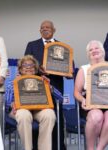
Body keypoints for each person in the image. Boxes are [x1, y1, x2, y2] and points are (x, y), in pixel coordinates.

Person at [25, 20, 66, 150]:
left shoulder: (62, 46)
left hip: (56, 88)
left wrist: (68, 72)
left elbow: (70, 67)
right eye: (42, 28)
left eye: (48, 27)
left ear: (54, 30)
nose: (45, 29)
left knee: (55, 118)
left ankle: (57, 147)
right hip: (35, 88)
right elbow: (25, 66)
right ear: (39, 30)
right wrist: (38, 69)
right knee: (37, 118)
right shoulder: (32, 45)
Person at [9, 55, 56, 150]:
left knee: (49, 114)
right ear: (20, 69)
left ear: (35, 69)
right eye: (25, 65)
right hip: (20, 109)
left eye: (31, 65)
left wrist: (50, 88)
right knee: (23, 115)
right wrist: (12, 103)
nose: (28, 67)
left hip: (38, 110)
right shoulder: (14, 81)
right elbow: (6, 101)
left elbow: (61, 98)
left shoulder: (42, 80)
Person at [74, 40, 108, 150]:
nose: (94, 51)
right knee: (96, 117)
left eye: (96, 48)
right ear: (88, 54)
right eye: (90, 50)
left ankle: (100, 148)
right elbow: (77, 92)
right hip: (90, 104)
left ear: (103, 51)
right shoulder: (83, 69)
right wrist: (82, 100)